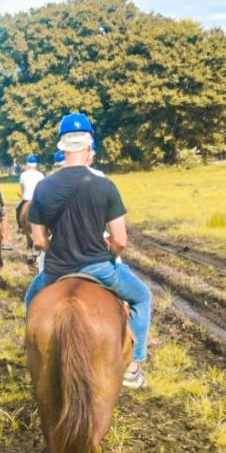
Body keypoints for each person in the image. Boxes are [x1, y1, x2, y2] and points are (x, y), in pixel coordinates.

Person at [22, 113, 152, 390]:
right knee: (143, 297)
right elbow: (120, 240)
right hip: (99, 269)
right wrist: (108, 249)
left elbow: (39, 240)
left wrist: (56, 245)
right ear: (89, 146)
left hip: (56, 271)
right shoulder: (104, 185)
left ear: (62, 146)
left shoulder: (44, 187)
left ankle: (31, 352)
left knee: (30, 302)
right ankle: (133, 364)